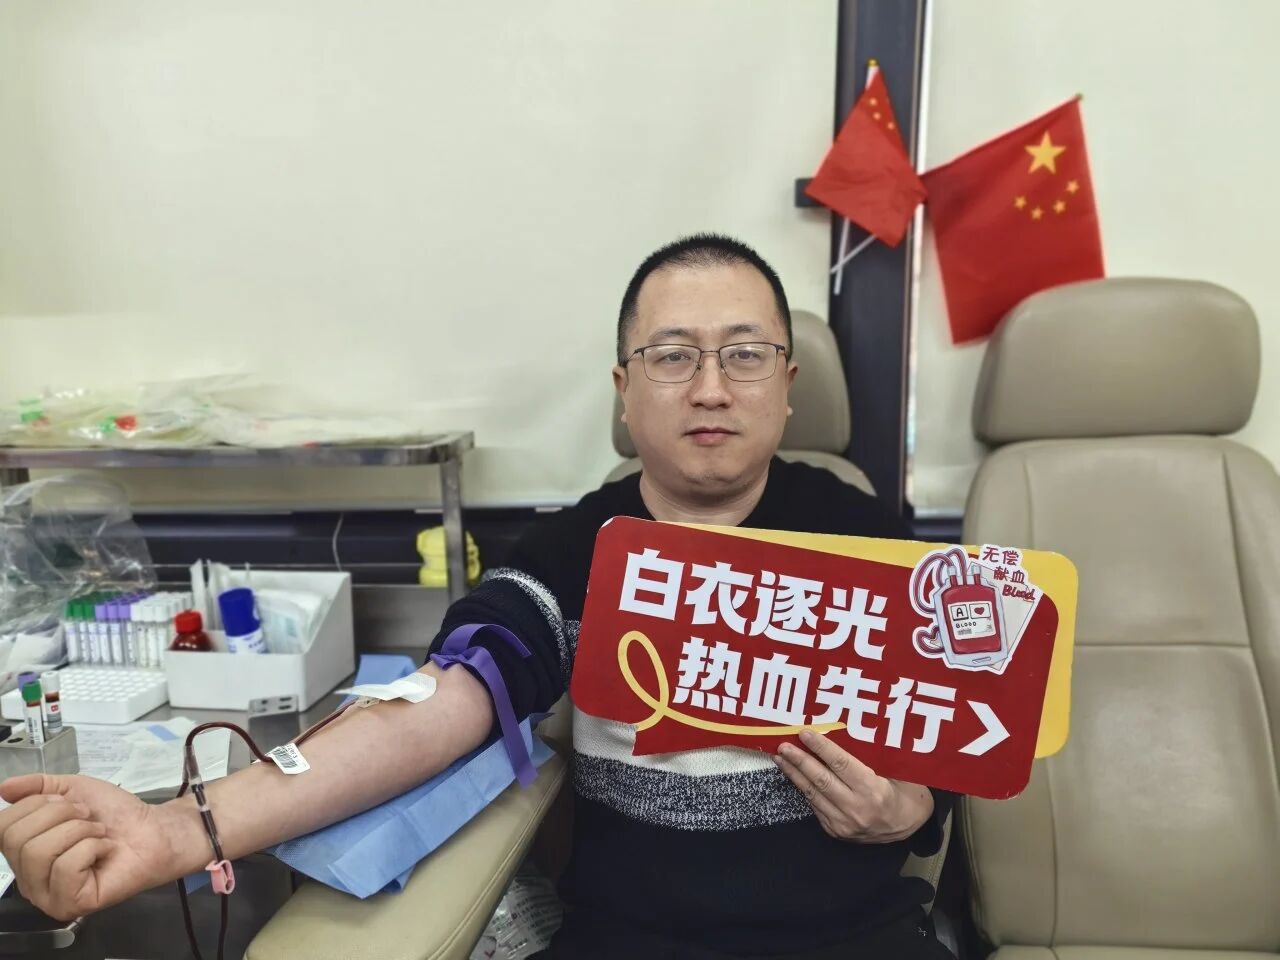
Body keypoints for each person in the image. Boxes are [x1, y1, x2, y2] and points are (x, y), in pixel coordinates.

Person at [0, 234, 954, 960]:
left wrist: (911, 809)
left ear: (787, 384)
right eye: (672, 356)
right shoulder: (574, 552)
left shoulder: (873, 546)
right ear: (624, 390)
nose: (710, 388)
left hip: (856, 937)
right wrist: (177, 827)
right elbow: (442, 704)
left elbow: (953, 738)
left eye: (745, 354)